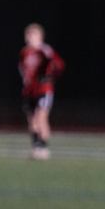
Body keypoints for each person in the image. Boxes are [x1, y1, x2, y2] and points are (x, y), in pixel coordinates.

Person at [18, 23, 66, 159]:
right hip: (29, 91)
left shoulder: (45, 51)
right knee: (31, 120)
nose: (29, 38)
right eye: (28, 35)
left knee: (41, 118)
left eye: (32, 35)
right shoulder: (25, 52)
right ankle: (36, 147)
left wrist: (49, 77)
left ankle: (44, 148)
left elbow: (59, 65)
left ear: (40, 36)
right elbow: (23, 69)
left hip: (44, 90)